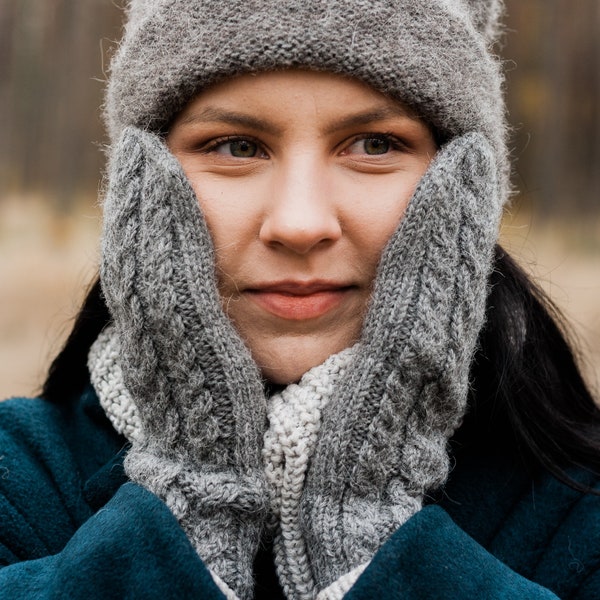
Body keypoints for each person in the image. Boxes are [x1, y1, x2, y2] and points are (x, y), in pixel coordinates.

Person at [1, 1, 599, 598]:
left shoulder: (578, 511)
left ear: (467, 193)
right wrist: (192, 494)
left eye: (373, 144)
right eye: (236, 147)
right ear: (141, 185)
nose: (300, 222)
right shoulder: (17, 478)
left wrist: (368, 528)